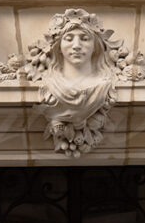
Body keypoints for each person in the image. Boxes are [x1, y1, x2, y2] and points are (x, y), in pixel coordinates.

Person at [38, 9, 118, 157]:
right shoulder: (50, 84)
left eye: (84, 38)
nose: (76, 45)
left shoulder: (104, 85)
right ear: (58, 48)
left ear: (95, 46)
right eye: (69, 38)